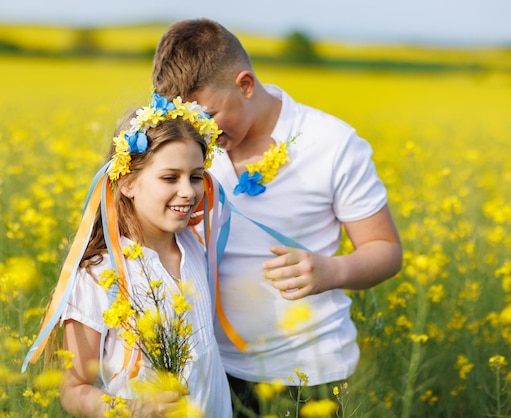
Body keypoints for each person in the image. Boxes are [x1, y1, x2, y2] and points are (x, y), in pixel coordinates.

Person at [152, 18, 403, 415]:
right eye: (187, 120)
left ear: (246, 85)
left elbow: (386, 249)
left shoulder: (333, 143)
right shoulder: (186, 147)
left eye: (209, 115)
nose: (202, 133)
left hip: (308, 375)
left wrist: (331, 272)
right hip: (207, 368)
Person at [21, 93, 232, 417]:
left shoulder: (193, 245)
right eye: (169, 177)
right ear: (128, 182)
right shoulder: (99, 275)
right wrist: (131, 409)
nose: (188, 191)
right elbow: (73, 388)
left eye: (195, 176)